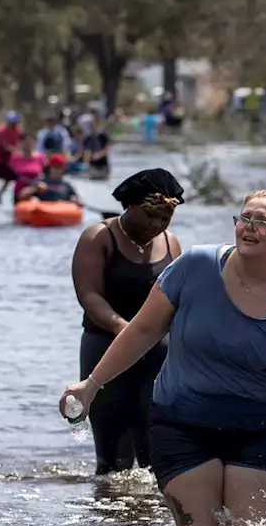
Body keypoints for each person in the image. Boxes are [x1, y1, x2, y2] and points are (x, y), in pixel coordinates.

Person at [59, 189, 266, 526]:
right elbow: (142, 331)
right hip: (183, 425)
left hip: (257, 431)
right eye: (245, 218)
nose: (249, 227)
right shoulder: (195, 267)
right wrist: (91, 384)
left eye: (262, 222)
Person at [71, 168, 184, 475]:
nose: (157, 225)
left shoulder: (171, 244)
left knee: (156, 456)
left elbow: (178, 302)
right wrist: (126, 330)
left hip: (158, 357)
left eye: (165, 218)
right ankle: (108, 520)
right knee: (114, 463)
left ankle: (149, 519)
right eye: (150, 216)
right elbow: (89, 296)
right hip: (105, 349)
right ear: (129, 206)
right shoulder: (99, 237)